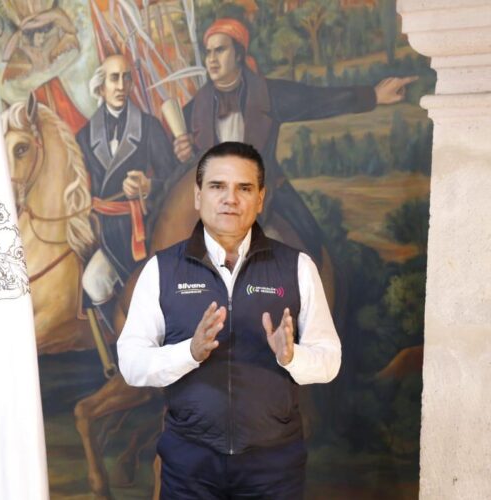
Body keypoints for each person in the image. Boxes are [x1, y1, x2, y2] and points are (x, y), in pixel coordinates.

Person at [117, 141, 341, 499]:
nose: (230, 199)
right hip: (189, 467)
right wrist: (189, 352)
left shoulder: (298, 267)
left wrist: (291, 357)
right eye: (217, 186)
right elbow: (131, 365)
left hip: (274, 468)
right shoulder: (160, 270)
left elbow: (329, 361)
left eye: (244, 188)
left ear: (261, 199)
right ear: (198, 196)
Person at [173, 18, 417, 264]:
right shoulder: (194, 109)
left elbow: (318, 100)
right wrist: (183, 153)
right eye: (208, 52)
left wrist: (373, 96)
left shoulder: (268, 94)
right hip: (214, 204)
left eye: (220, 50)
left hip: (265, 194)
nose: (212, 59)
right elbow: (178, 166)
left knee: (309, 245)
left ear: (238, 54)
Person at [75, 54, 178, 332]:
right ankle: (123, 337)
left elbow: (174, 178)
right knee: (93, 281)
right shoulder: (83, 137)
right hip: (108, 234)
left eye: (126, 77)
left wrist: (148, 186)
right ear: (101, 87)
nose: (121, 86)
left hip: (146, 232)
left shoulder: (149, 126)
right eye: (114, 78)